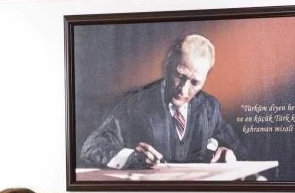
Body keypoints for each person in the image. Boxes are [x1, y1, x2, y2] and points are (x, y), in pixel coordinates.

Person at [80, 34, 247, 169]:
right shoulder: (135, 104)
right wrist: (131, 158)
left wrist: (229, 153)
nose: (183, 89)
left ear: (204, 80)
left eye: (195, 82)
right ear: (167, 65)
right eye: (180, 75)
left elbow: (242, 153)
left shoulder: (209, 108)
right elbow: (91, 147)